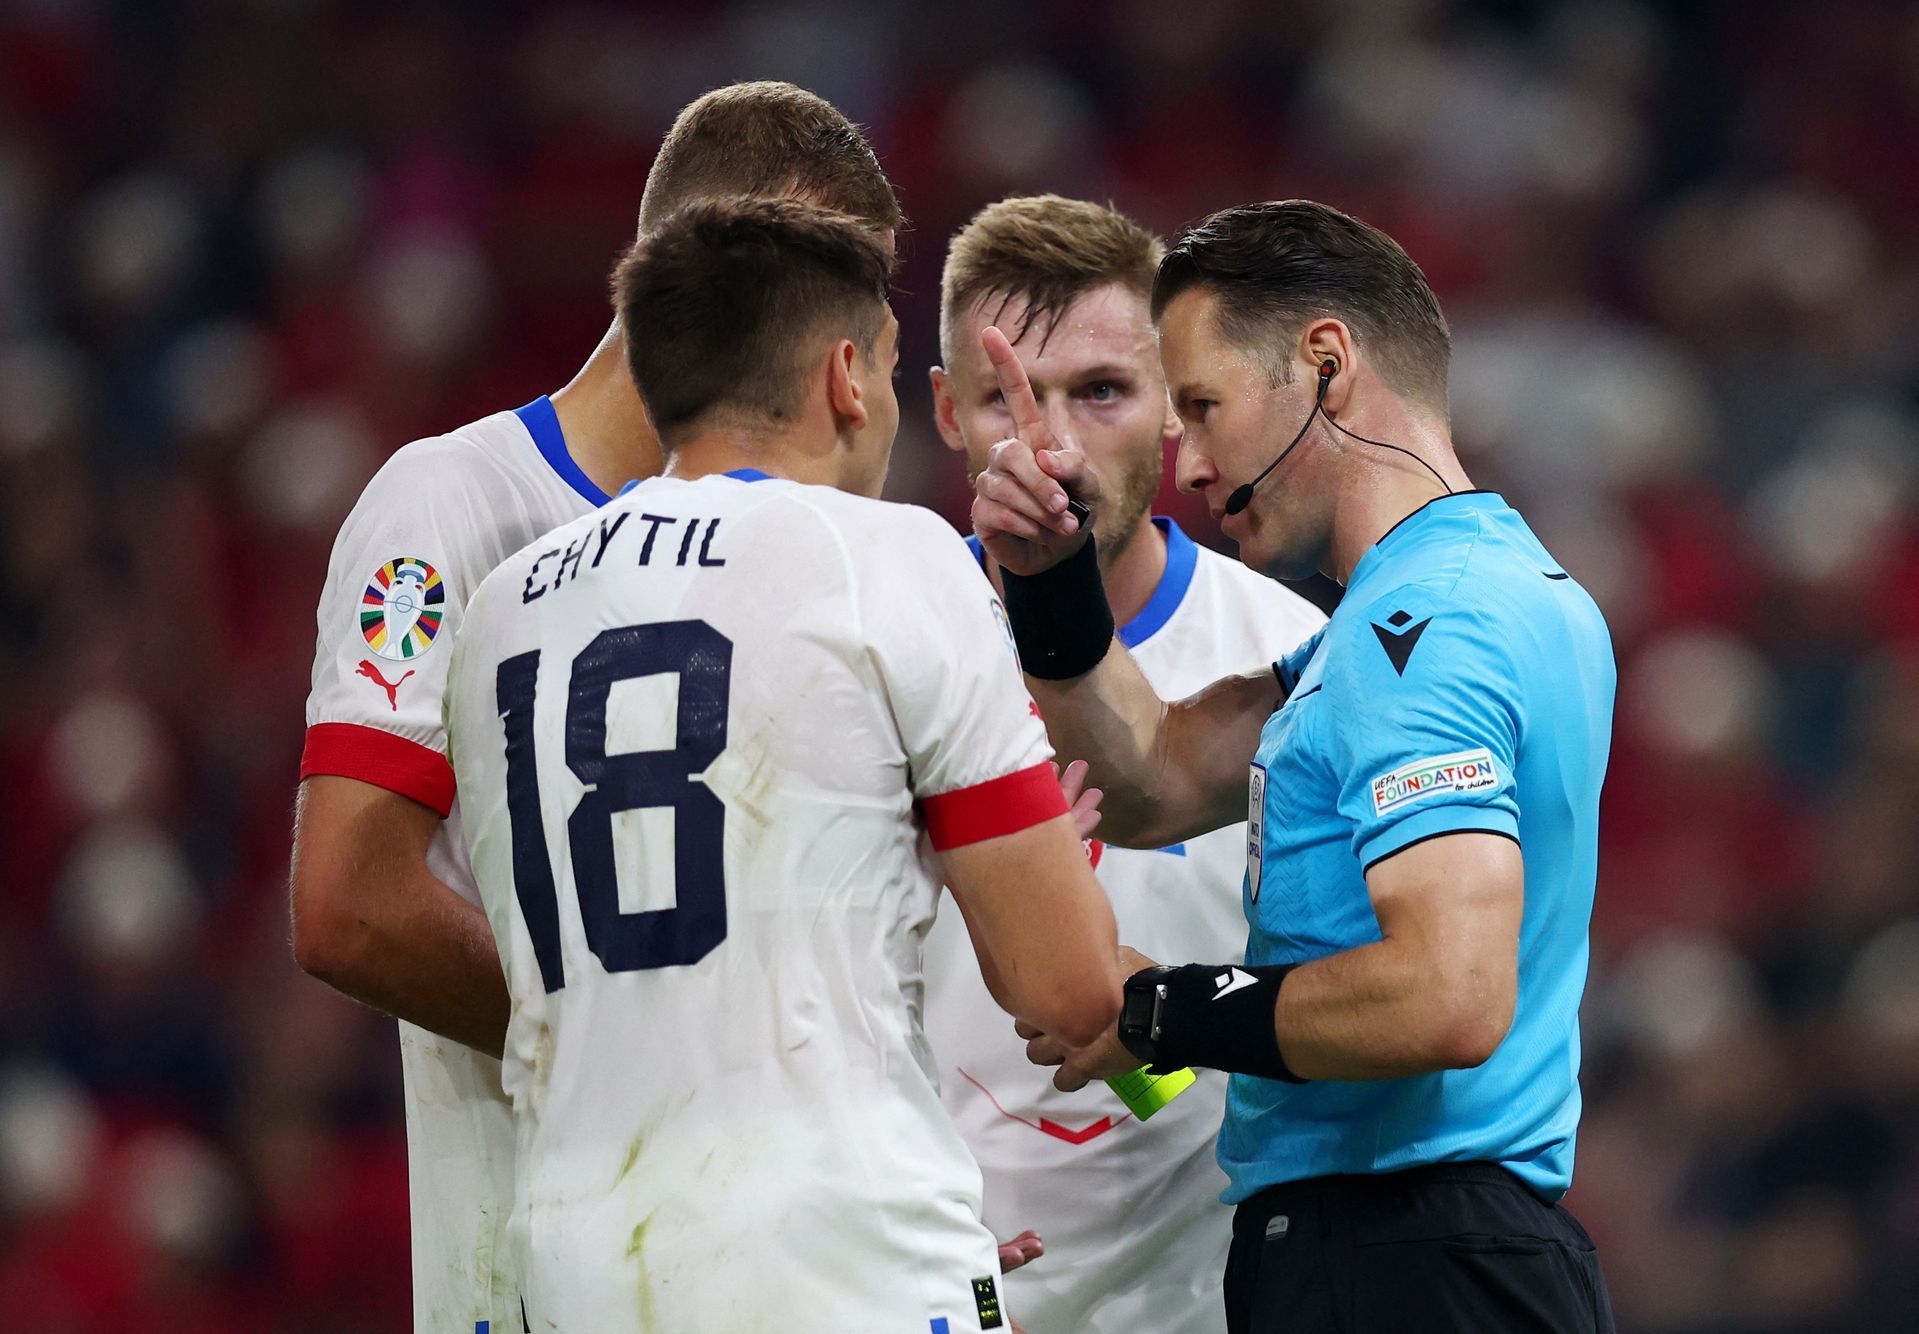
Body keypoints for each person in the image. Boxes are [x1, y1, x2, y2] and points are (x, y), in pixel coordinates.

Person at [441, 197, 1122, 1332]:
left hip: (573, 1261)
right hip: (843, 1246)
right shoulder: (887, 554)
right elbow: (1070, 991)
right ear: (847, 376)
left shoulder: (501, 610)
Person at [287, 82, 903, 1331]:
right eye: (850, 293)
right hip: (531, 1270)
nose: (864, 354)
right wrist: (637, 1038)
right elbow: (349, 903)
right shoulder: (450, 509)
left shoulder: (822, 551)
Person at [972, 200, 1617, 1333]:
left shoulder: (1424, 629)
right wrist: (1051, 576)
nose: (1193, 467)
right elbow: (1151, 777)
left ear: (1324, 363)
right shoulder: (1425, 610)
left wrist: (1160, 1014)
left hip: (1403, 1260)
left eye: (1206, 408)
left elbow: (1447, 991)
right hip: (1422, 1253)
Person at [922, 194, 1324, 1333]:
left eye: (1099, 390)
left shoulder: (1286, 666)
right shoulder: (866, 655)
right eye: (1004, 395)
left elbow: (1347, 1024)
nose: (1049, 446)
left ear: (1170, 408)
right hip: (911, 1287)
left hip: (1200, 1302)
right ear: (946, 411)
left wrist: (1143, 1026)